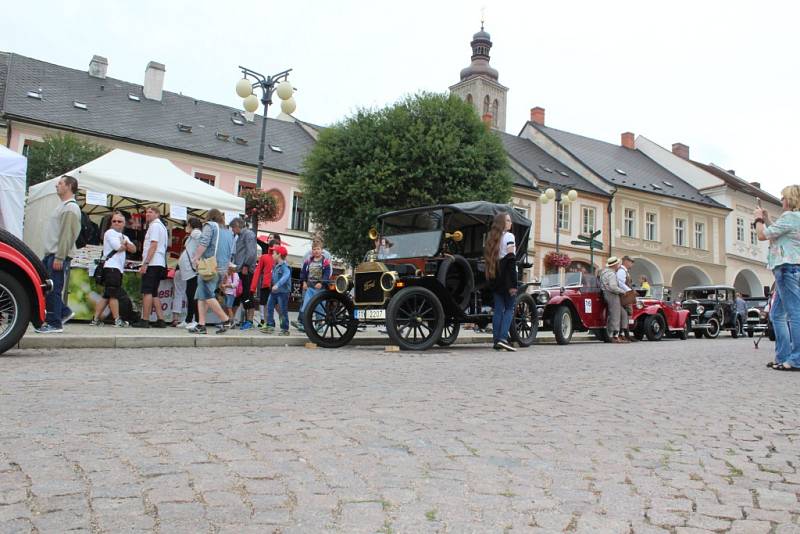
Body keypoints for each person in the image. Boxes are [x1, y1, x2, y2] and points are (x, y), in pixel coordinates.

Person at [754, 185, 800, 370]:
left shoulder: (790, 217)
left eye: (783, 197)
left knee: (794, 313)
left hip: (786, 268)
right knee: (777, 314)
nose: (781, 200)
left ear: (789, 199)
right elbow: (778, 234)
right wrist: (767, 218)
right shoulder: (794, 219)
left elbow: (763, 235)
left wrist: (758, 218)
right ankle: (782, 357)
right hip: (789, 268)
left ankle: (795, 359)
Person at [35, 175, 83, 333]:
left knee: (53, 288)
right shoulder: (64, 206)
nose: (57, 185)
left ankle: (54, 323)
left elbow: (66, 235)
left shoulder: (70, 207)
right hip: (52, 253)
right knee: (46, 286)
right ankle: (63, 312)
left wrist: (60, 257)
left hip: (57, 254)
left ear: (69, 186)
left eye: (60, 183)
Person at [90, 211, 136, 327]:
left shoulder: (124, 236)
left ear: (124, 224)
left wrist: (125, 244)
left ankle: (95, 319)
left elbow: (134, 249)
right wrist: (126, 245)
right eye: (114, 221)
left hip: (116, 268)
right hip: (111, 267)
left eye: (119, 221)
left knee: (106, 295)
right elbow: (118, 247)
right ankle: (117, 320)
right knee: (113, 294)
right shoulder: (110, 233)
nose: (116, 223)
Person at [189, 209, 232, 334]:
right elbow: (230, 252)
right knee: (202, 295)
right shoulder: (228, 231)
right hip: (221, 268)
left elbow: (204, 243)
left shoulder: (210, 226)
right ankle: (201, 325)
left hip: (209, 265)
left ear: (209, 217)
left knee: (207, 295)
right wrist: (226, 272)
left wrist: (195, 258)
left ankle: (226, 320)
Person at [483, 211, 517, 352]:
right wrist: (513, 284)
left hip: (495, 275)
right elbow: (510, 258)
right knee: (509, 308)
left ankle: (496, 340)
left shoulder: (492, 239)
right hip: (507, 275)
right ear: (502, 223)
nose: (510, 223)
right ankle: (503, 338)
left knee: (498, 310)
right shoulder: (509, 236)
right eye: (508, 220)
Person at [132, 207, 169, 328]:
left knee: (147, 291)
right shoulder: (162, 226)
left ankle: (145, 319)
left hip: (153, 263)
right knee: (154, 292)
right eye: (146, 212)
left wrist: (145, 263)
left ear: (157, 214)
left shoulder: (154, 226)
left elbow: (153, 244)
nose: (147, 214)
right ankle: (161, 319)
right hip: (159, 262)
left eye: (150, 212)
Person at [293, 239, 332, 333]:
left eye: (318, 249)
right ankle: (303, 323)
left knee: (320, 307)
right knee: (306, 305)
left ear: (321, 250)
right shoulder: (308, 261)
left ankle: (319, 325)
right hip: (310, 288)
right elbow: (303, 273)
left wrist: (322, 282)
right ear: (312, 250)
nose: (316, 251)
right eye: (314, 249)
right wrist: (304, 282)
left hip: (320, 289)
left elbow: (327, 274)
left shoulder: (325, 262)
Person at [229, 218, 258, 330]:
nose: (233, 230)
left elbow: (251, 252)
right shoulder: (240, 236)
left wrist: (246, 265)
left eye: (233, 228)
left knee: (247, 296)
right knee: (237, 295)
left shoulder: (248, 234)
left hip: (245, 270)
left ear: (237, 226)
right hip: (239, 269)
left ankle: (249, 321)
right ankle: (230, 320)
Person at [177, 217, 202, 329]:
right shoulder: (192, 236)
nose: (186, 226)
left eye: (188, 224)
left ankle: (196, 320)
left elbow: (197, 236)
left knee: (193, 295)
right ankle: (188, 319)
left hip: (192, 270)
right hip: (189, 270)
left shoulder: (196, 233)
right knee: (189, 294)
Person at [253, 234, 280, 329]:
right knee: (263, 302)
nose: (275, 250)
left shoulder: (280, 259)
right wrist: (253, 287)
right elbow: (258, 271)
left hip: (275, 285)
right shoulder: (264, 256)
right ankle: (264, 321)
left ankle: (281, 320)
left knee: (276, 304)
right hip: (265, 284)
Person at [263, 245, 291, 335]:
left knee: (282, 310)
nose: (272, 255)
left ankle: (285, 329)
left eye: (274, 253)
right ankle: (270, 325)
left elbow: (286, 276)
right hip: (274, 291)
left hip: (283, 292)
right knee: (269, 307)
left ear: (279, 255)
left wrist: (278, 285)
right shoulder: (276, 266)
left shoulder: (284, 266)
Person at [600, 257, 627, 343]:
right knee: (615, 314)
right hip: (611, 294)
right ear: (615, 265)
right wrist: (622, 291)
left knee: (622, 313)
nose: (619, 265)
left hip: (607, 293)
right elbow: (613, 287)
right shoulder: (611, 274)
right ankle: (614, 335)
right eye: (618, 264)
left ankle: (621, 333)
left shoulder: (605, 272)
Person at [617, 256, 637, 342]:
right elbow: (620, 283)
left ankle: (626, 334)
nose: (632, 264)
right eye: (631, 262)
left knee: (628, 314)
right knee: (627, 313)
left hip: (626, 294)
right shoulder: (622, 271)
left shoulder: (625, 271)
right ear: (625, 261)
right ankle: (624, 334)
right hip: (625, 295)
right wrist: (629, 291)